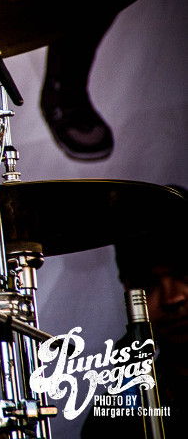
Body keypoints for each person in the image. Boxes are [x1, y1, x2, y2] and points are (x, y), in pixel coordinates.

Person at [81, 185, 188, 437]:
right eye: (148, 284)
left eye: (183, 273)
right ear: (127, 289)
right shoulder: (116, 419)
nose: (172, 298)